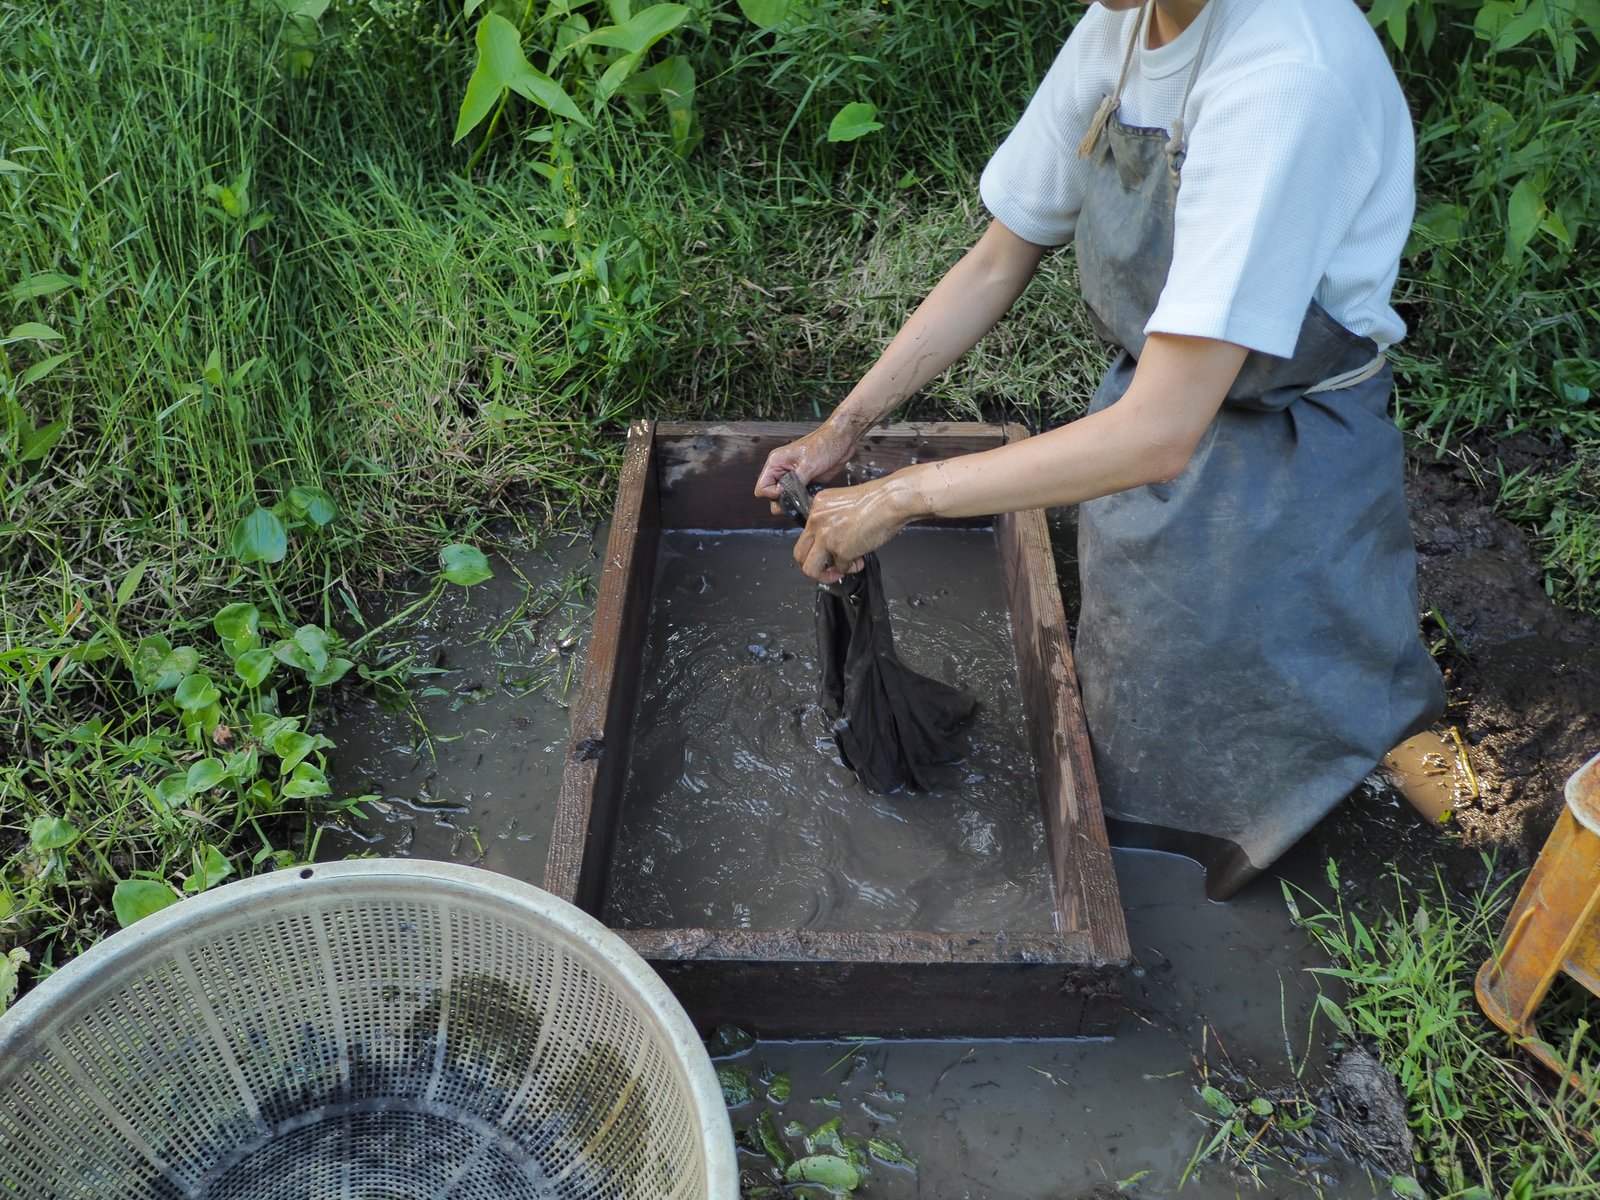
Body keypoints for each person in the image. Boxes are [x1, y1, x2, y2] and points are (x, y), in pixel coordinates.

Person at [753, 0, 1447, 899]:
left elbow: (1161, 433)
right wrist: (840, 434)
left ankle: (1399, 790)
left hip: (1286, 439)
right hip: (1150, 405)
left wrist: (899, 496)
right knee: (1121, 742)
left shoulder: (1284, 78)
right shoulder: (1125, 28)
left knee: (1288, 726)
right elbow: (999, 260)